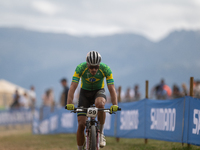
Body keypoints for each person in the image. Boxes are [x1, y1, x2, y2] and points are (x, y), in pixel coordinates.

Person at [66, 51, 119, 150]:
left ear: (99, 65)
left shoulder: (106, 69)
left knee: (100, 104)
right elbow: (73, 86)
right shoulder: (80, 68)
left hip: (98, 92)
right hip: (84, 94)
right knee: (81, 124)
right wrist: (69, 103)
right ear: (87, 64)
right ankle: (79, 148)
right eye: (91, 67)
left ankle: (101, 133)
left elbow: (111, 88)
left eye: (96, 67)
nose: (94, 70)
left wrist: (115, 104)